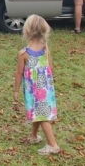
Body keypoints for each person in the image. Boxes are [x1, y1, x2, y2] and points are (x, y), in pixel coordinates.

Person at [13, 14, 60, 155]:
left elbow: (19, 73)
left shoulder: (24, 53)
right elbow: (50, 67)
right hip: (46, 88)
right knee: (38, 112)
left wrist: (15, 90)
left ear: (27, 31)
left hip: (34, 90)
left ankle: (53, 145)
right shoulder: (45, 49)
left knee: (42, 115)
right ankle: (33, 136)